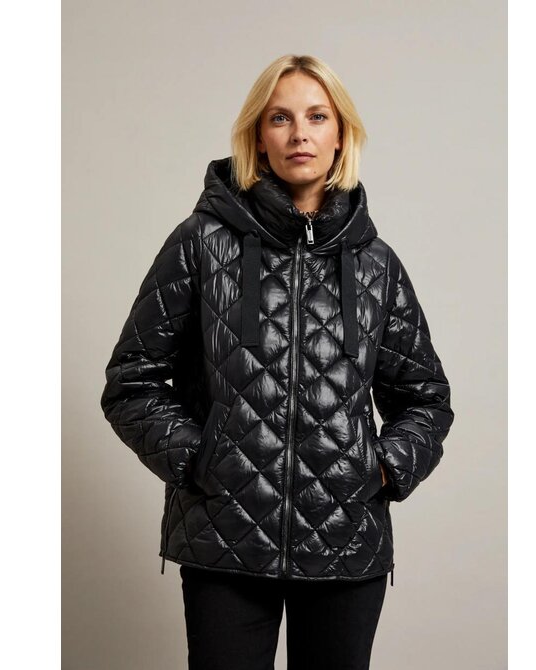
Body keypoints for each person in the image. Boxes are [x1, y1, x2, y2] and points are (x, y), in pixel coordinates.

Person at [100, 54, 454, 670]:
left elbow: (426, 397)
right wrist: (199, 459)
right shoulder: (201, 243)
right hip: (224, 539)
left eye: (317, 117)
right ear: (258, 137)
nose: (299, 135)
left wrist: (382, 468)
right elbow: (132, 380)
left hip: (345, 540)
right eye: (280, 118)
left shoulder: (376, 265)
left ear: (340, 134)